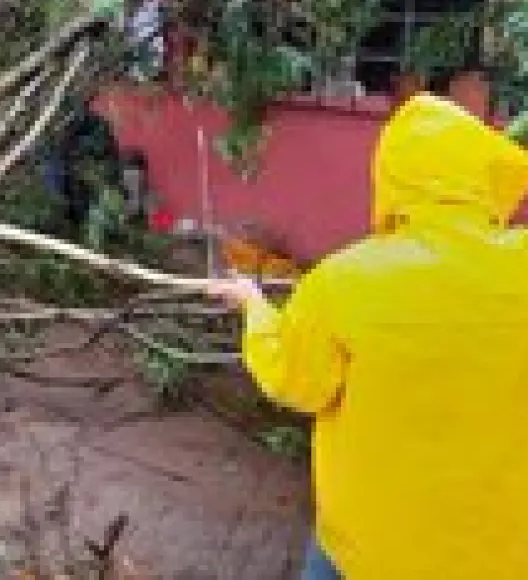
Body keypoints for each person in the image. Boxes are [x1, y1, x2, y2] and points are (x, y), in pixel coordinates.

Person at [206, 92, 528, 580]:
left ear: (392, 179)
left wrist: (253, 305)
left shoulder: (345, 280)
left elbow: (296, 380)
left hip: (369, 551)